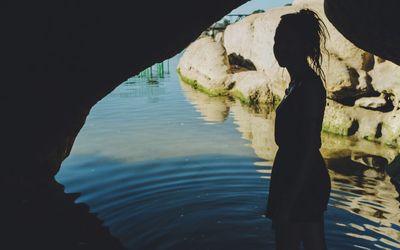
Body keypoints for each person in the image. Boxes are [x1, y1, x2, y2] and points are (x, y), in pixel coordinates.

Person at [265, 9, 331, 250]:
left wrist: (290, 199)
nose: (280, 47)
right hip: (293, 173)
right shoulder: (296, 83)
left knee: (287, 244)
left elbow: (310, 146)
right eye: (278, 41)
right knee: (314, 243)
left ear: (305, 46)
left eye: (289, 42)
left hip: (302, 178)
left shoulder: (310, 87)